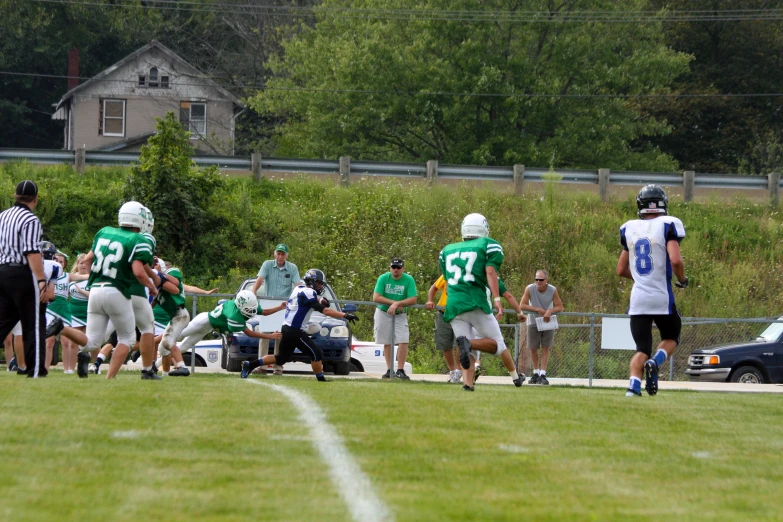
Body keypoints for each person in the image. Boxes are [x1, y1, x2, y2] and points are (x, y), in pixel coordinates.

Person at [75, 201, 160, 379]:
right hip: (124, 290)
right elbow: (139, 269)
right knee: (140, 331)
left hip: (97, 288)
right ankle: (145, 370)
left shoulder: (105, 231)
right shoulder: (140, 240)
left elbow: (87, 260)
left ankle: (62, 330)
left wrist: (95, 277)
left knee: (94, 339)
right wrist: (153, 284)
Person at [439, 213, 524, 391]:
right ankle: (470, 343)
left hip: (454, 304)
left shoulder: (447, 250)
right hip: (475, 302)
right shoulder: (488, 245)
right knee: (497, 344)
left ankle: (467, 384)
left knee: (464, 347)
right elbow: (491, 272)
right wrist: (497, 299)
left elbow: (447, 280)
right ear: (483, 228)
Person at [617, 184, 687, 397]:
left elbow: (621, 269)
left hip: (638, 299)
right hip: (661, 297)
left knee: (641, 349)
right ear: (663, 203)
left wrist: (639, 278)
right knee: (671, 336)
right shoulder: (669, 223)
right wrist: (683, 280)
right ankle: (655, 362)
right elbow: (675, 260)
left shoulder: (629, 227)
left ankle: (632, 389)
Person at [242, 269, 358, 381]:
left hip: (286, 328)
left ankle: (250, 364)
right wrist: (345, 315)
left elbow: (307, 298)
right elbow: (324, 311)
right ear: (311, 281)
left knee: (281, 358)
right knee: (316, 353)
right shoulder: (308, 292)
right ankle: (321, 379)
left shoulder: (298, 288)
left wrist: (320, 299)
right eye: (318, 283)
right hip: (295, 331)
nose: (320, 286)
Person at [0, 180, 48, 378]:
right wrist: (41, 279)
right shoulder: (30, 219)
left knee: (2, 321)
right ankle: (35, 369)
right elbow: (31, 251)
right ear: (35, 199)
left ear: (15, 195)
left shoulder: (2, 216)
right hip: (22, 274)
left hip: (2, 271)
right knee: (34, 324)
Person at [175, 290, 284, 363]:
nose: (252, 311)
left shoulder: (246, 306)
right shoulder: (234, 316)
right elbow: (249, 333)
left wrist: (279, 307)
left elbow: (264, 311)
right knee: (178, 335)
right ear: (240, 306)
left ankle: (158, 363)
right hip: (203, 321)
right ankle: (159, 342)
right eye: (249, 309)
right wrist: (270, 336)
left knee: (184, 347)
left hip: (208, 327)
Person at [252, 243, 301, 375]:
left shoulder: (292, 268)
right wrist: (254, 291)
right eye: (278, 253)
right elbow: (260, 279)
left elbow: (298, 284)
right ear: (275, 254)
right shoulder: (267, 264)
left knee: (280, 336)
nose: (280, 256)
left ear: (286, 255)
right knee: (265, 336)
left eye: (283, 254)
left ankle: (278, 367)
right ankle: (261, 366)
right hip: (269, 304)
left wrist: (301, 295)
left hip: (285, 306)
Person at [474, 277, 526, 382]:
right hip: (485, 315)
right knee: (500, 345)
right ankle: (516, 378)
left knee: (472, 345)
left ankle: (475, 367)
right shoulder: (492, 278)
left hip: (469, 315)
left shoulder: (468, 274)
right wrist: (519, 313)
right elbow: (508, 296)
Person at [373, 258, 418, 380]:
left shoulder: (408, 280)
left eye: (398, 268)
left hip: (400, 314)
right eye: (393, 267)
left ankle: (400, 369)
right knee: (387, 342)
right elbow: (376, 297)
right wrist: (394, 303)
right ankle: (389, 369)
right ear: (390, 268)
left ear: (403, 268)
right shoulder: (383, 278)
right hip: (383, 311)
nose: (396, 270)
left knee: (404, 340)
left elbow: (413, 299)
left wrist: (397, 305)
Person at [519, 270, 564, 385]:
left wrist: (550, 311)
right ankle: (536, 373)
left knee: (545, 347)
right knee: (533, 348)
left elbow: (560, 307)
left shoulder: (552, 290)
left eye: (541, 280)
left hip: (547, 322)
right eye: (536, 279)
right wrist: (537, 309)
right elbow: (522, 305)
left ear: (546, 280)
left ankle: (543, 374)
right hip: (533, 322)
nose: (538, 282)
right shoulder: (529, 288)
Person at [425, 275, 463, 384]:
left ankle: (458, 370)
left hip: (460, 314)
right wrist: (430, 300)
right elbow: (434, 287)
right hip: (443, 313)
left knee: (460, 343)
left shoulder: (467, 275)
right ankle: (452, 371)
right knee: (445, 344)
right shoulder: (447, 273)